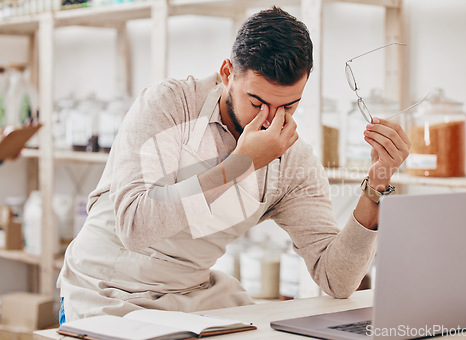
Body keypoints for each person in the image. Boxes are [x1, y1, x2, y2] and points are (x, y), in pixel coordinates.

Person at [57, 7, 410, 323]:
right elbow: (135, 227)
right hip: (104, 288)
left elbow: (337, 279)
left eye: (289, 106)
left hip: (189, 298)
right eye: (257, 101)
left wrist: (377, 184)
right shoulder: (169, 104)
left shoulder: (292, 161)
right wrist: (242, 164)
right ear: (227, 72)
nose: (271, 120)